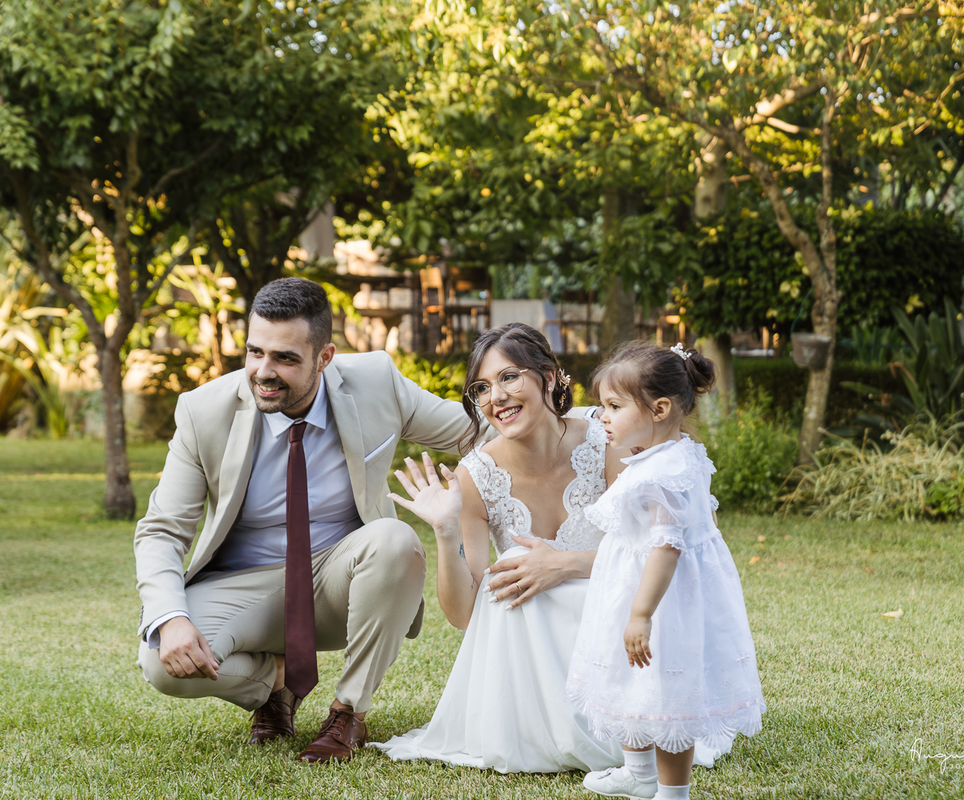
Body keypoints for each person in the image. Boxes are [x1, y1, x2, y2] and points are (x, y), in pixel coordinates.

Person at [133, 278, 470, 766]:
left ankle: (348, 712)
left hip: (341, 583)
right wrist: (172, 617)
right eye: (255, 352)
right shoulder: (204, 410)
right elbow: (163, 529)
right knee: (161, 663)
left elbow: (477, 431)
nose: (263, 371)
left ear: (325, 357)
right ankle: (276, 683)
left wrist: (574, 421)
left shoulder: (377, 383)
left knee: (395, 539)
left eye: (285, 358)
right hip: (245, 587)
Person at [370, 323, 625, 772]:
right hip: (532, 653)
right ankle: (546, 726)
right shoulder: (475, 477)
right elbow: (465, 615)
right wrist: (446, 530)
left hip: (613, 624)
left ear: (549, 377)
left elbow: (657, 553)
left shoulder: (607, 439)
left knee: (524, 562)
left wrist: (564, 565)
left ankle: (608, 720)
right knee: (515, 563)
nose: (496, 397)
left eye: (509, 377)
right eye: (482, 388)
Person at [566, 341, 765, 800]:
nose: (602, 417)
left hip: (661, 600)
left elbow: (667, 547)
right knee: (631, 681)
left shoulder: (663, 474)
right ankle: (638, 773)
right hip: (633, 588)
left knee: (669, 692)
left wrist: (641, 614)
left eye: (614, 407)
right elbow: (705, 521)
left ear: (659, 409)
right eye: (602, 406)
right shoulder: (672, 454)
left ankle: (673, 792)